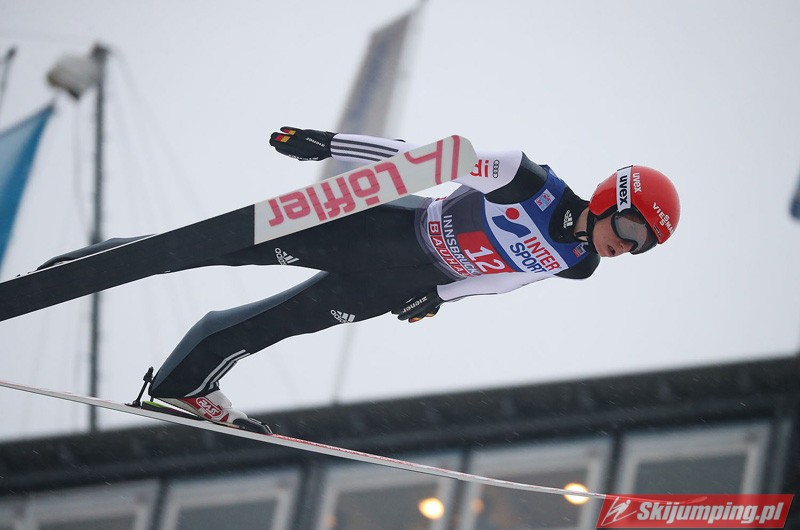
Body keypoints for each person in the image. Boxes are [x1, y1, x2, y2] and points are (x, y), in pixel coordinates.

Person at [39, 127, 681, 433]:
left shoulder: (578, 263)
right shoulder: (525, 179)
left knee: (274, 325)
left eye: (641, 248)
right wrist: (330, 145)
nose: (625, 248)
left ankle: (182, 387)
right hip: (385, 230)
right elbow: (426, 159)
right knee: (218, 249)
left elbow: (507, 280)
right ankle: (75, 268)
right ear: (610, 197)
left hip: (399, 283)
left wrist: (438, 296)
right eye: (630, 229)